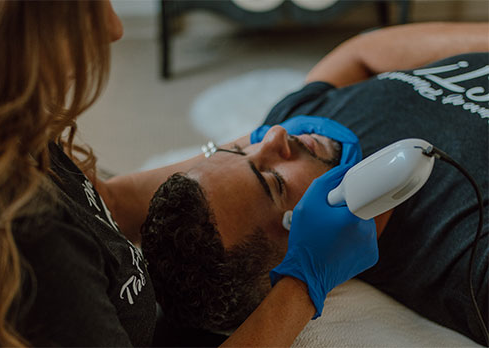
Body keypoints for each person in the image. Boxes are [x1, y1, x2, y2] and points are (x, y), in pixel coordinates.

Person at [0, 1, 379, 347]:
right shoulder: (37, 244)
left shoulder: (15, 142)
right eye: (89, 7)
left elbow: (104, 202)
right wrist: (302, 286)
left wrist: (237, 152)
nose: (115, 29)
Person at [141, 22, 489, 346]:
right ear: (301, 238)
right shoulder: (464, 257)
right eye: (274, 181)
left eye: (236, 150)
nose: (275, 136)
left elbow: (360, 53)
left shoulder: (304, 126)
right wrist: (303, 283)